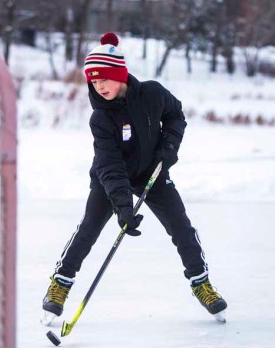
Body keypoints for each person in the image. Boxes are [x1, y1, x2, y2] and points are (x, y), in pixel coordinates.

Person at [42, 32, 227, 323]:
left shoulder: (152, 94)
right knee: (90, 227)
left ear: (120, 75)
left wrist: (169, 147)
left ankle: (201, 283)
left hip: (152, 170)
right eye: (94, 81)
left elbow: (176, 115)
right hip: (111, 177)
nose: (99, 86)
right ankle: (60, 284)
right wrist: (122, 207)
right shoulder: (101, 118)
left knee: (181, 226)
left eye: (104, 78)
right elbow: (110, 164)